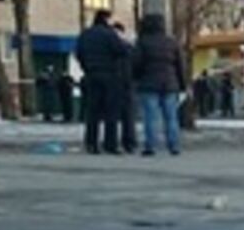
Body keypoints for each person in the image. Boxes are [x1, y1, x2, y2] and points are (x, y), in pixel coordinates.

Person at [132, 13, 187, 157]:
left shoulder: (142, 42)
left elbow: (136, 63)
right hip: (170, 83)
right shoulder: (172, 42)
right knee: (171, 117)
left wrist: (136, 78)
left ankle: (150, 146)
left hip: (148, 83)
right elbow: (180, 65)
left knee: (150, 117)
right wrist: (182, 85)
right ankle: (174, 145)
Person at [75, 9, 127, 154]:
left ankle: (91, 143)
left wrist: (86, 67)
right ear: (106, 19)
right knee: (111, 111)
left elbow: (79, 53)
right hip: (110, 75)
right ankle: (110, 144)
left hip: (92, 75)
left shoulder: (86, 34)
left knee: (93, 111)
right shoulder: (109, 34)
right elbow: (121, 51)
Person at [112, 21, 138, 153]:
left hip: (117, 82)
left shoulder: (112, 48)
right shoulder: (129, 47)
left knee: (116, 114)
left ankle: (116, 142)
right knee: (128, 115)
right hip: (128, 82)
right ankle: (129, 142)